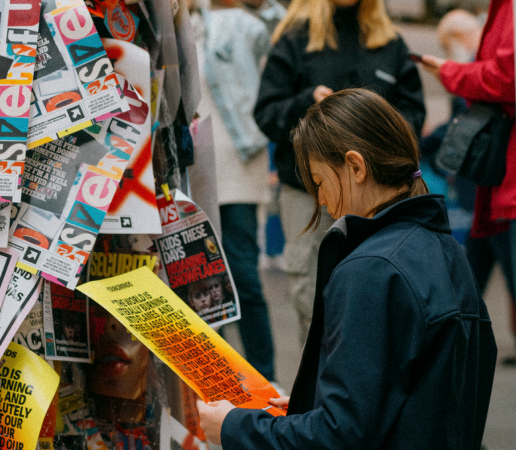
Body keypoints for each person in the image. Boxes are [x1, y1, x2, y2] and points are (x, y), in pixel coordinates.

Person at [198, 89, 497, 449]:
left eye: (321, 182)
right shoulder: (447, 252)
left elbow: (339, 435)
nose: (322, 200)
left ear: (355, 167)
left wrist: (233, 427)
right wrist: (310, 407)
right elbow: (411, 398)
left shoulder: (371, 270)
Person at [255, 0, 426, 346]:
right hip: (308, 197)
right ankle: (318, 394)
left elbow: (413, 116)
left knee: (378, 295)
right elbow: (266, 113)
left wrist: (378, 126)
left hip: (380, 201)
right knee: (313, 301)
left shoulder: (389, 41)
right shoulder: (295, 38)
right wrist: (307, 102)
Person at [418, 0, 516, 364]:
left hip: (498, 190)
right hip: (487, 193)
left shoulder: (479, 69)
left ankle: (454, 346)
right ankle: (456, 344)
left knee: (481, 277)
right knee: (469, 280)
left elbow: (504, 79)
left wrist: (450, 71)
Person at [190, 0, 279, 381]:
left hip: (238, 168)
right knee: (206, 284)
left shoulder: (242, 24)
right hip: (196, 171)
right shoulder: (177, 22)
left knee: (243, 275)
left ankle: (265, 375)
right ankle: (218, 379)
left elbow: (273, 28)